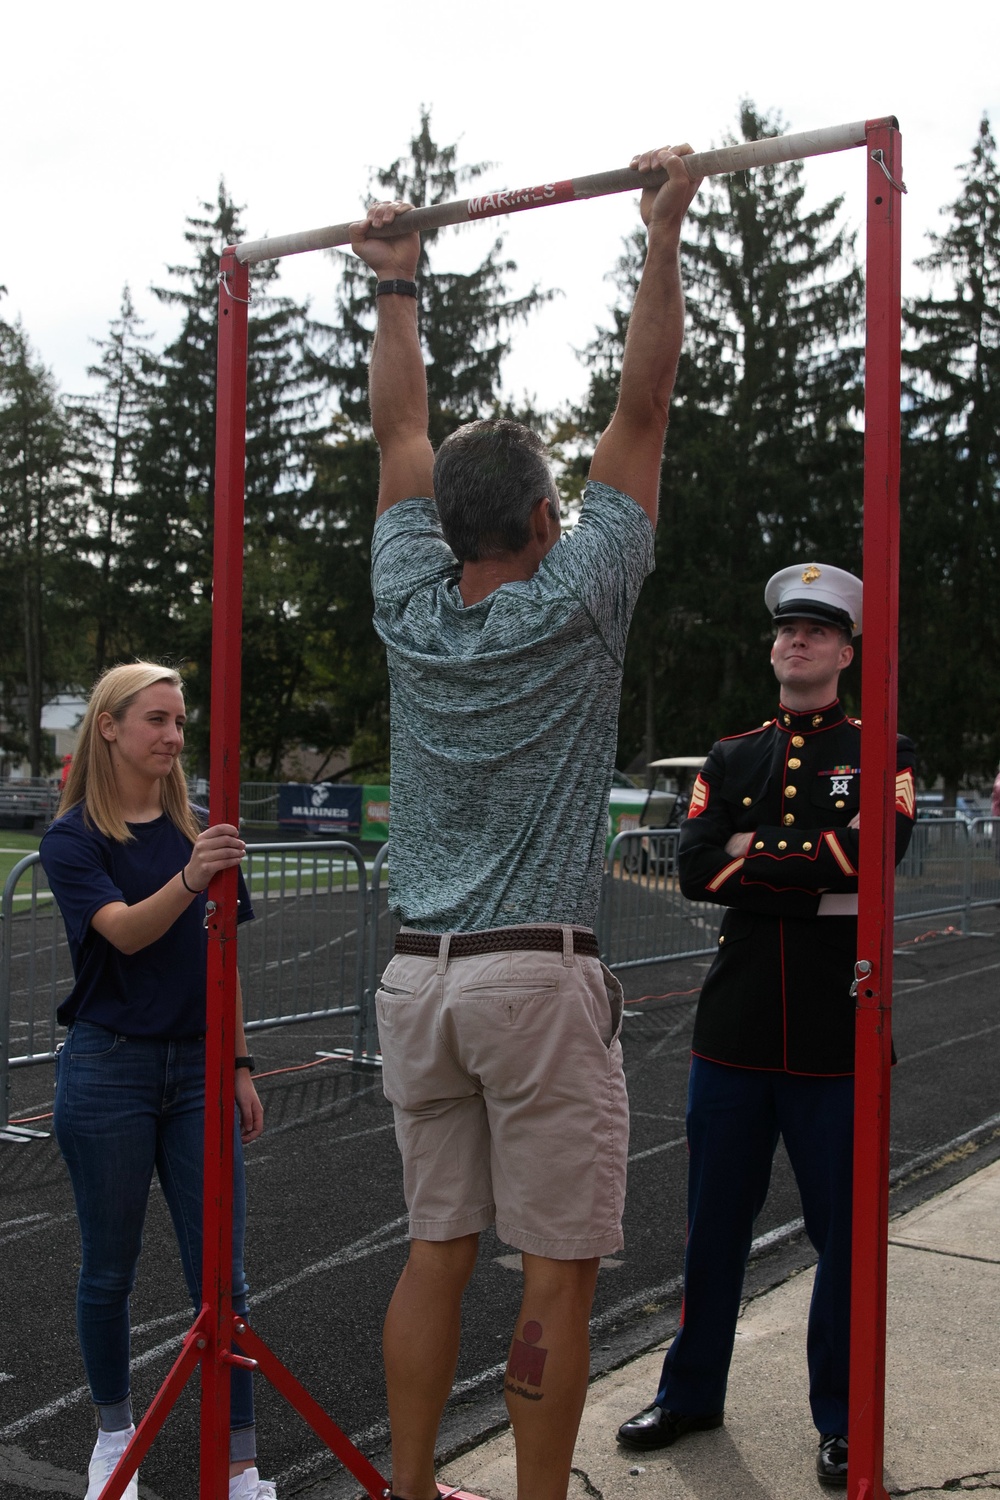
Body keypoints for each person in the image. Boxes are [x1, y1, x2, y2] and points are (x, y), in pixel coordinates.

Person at [349, 144, 701, 1500]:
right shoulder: (583, 592)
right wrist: (659, 237)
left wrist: (394, 287)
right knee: (555, 1265)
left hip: (415, 979)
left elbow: (397, 438)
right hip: (531, 979)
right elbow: (647, 408)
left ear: (448, 526)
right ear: (551, 519)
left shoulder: (410, 596)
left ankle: (419, 1485)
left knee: (439, 1246)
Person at [616, 564, 916, 1486]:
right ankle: (690, 1391)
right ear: (773, 644)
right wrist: (808, 868)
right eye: (788, 629)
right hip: (736, 1031)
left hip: (837, 1027)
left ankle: (843, 1417)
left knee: (844, 1238)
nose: (799, 643)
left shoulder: (883, 751)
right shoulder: (731, 753)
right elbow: (695, 866)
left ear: (846, 651)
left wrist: (758, 856)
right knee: (712, 1226)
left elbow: (872, 859)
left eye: (818, 632)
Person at [39, 663, 276, 1500]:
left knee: (224, 1275)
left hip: (201, 1072)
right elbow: (128, 936)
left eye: (181, 722)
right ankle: (113, 1439)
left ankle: (242, 1461)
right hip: (109, 1070)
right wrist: (191, 878)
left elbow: (227, 961)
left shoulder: (197, 831)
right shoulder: (74, 839)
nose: (176, 738)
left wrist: (241, 1062)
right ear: (108, 726)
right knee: (110, 1271)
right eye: (158, 720)